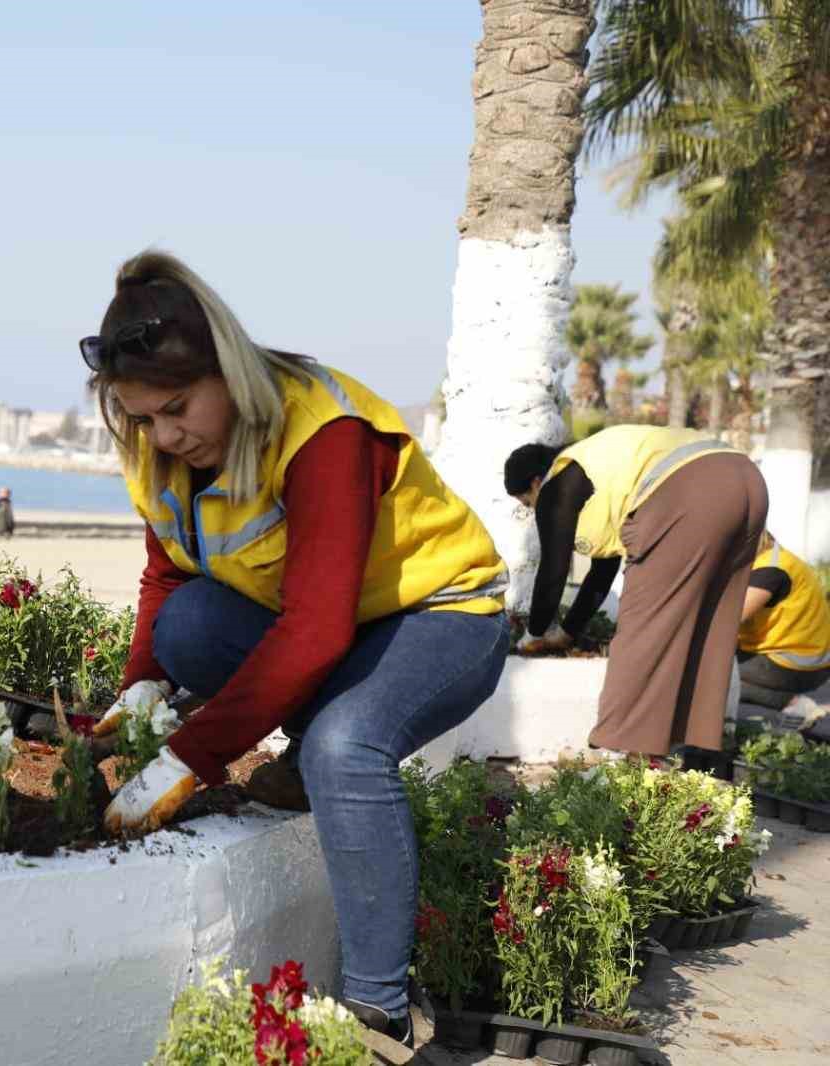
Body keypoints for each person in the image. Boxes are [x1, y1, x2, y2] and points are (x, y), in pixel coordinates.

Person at [83, 250, 509, 1054]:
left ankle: (381, 1013)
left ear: (231, 373)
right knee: (188, 629)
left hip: (445, 618)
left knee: (349, 749)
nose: (164, 435)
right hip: (343, 630)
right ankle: (309, 753)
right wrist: (140, 686)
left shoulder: (323, 431)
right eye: (142, 418)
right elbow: (168, 575)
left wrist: (188, 757)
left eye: (177, 407)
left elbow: (314, 632)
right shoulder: (162, 448)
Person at [504, 424, 768, 757]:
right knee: (712, 623)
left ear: (535, 483)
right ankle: (697, 754)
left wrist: (535, 633)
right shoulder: (602, 471)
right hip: (746, 479)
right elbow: (602, 574)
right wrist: (568, 633)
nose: (532, 511)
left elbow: (553, 572)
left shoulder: (556, 485)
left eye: (527, 504)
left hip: (687, 489)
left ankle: (618, 756)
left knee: (643, 626)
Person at [736, 531, 830, 709]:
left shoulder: (769, 572)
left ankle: (791, 702)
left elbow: (727, 621)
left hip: (797, 664)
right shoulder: (770, 557)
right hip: (788, 653)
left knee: (711, 672)